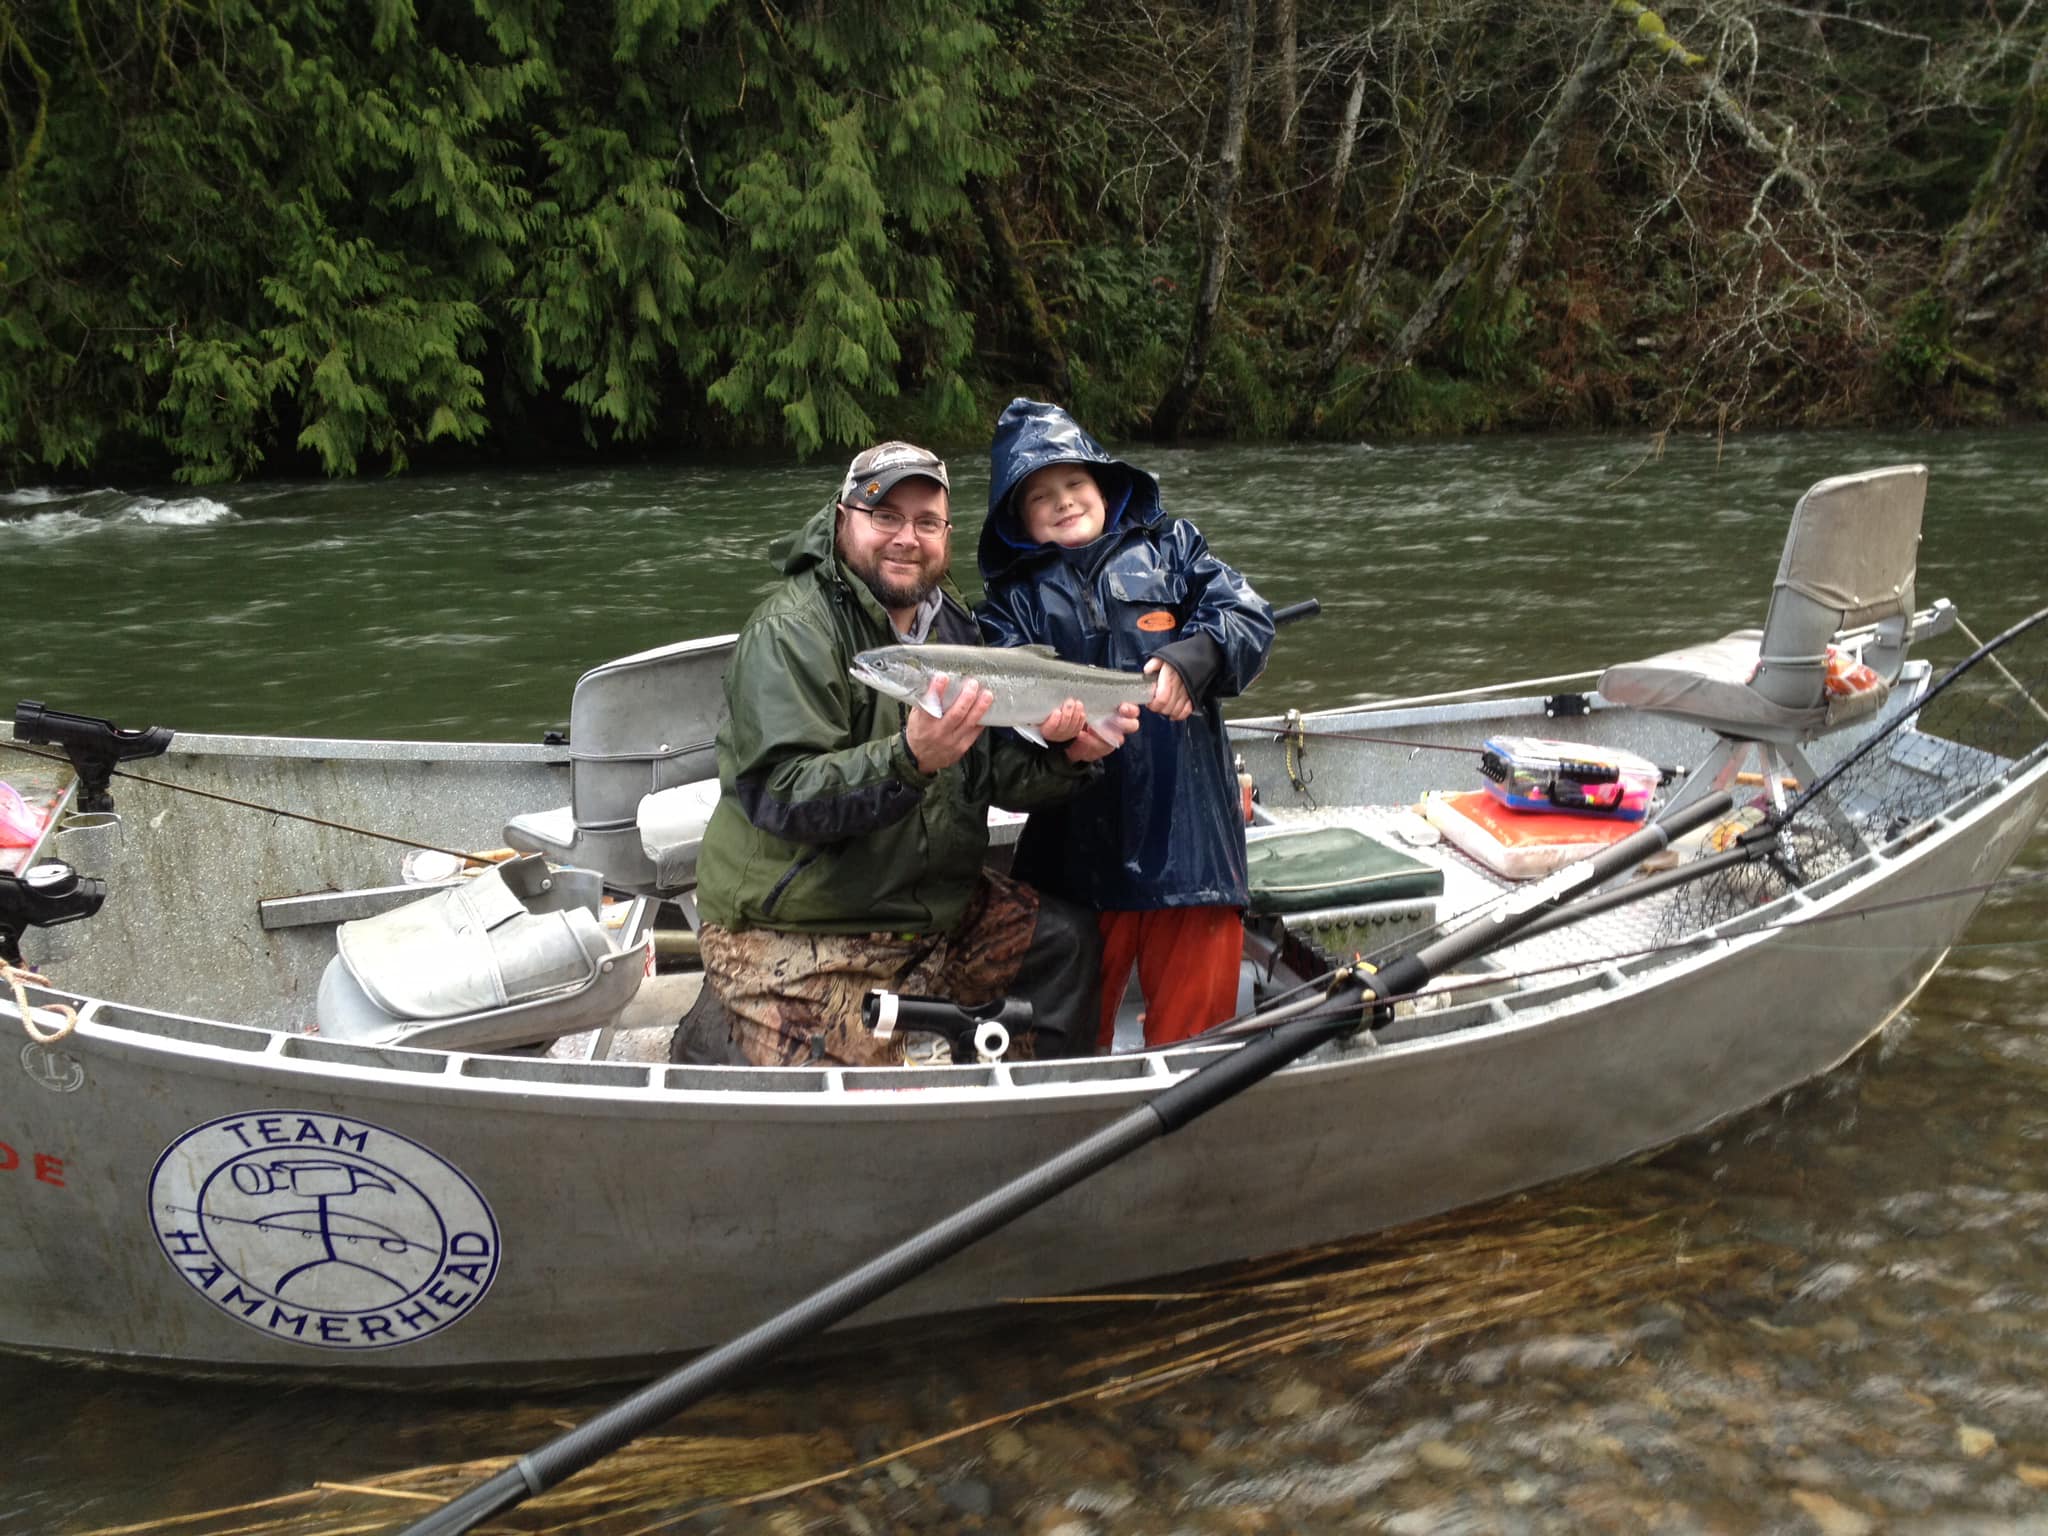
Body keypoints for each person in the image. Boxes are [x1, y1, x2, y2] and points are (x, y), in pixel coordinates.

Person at [693, 440, 1138, 1068]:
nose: (907, 537)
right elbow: (781, 795)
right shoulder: (791, 630)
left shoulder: (956, 630)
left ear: (946, 535)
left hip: (929, 911)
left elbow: (991, 774)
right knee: (853, 1102)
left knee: (1063, 944)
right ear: (844, 518)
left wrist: (1069, 756)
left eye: (927, 522)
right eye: (886, 516)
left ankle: (1036, 1121)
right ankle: (728, 1015)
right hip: (801, 923)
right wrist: (909, 760)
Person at [977, 399, 1275, 1050]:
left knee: (1198, 1048)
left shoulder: (1175, 548)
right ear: (1015, 518)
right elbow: (997, 732)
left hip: (1193, 849)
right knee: (1062, 1043)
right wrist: (1054, 739)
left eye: (1075, 483)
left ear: (1106, 485)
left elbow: (1247, 616)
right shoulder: (1006, 606)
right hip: (1074, 862)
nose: (1062, 500)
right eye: (1039, 494)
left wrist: (1193, 658)